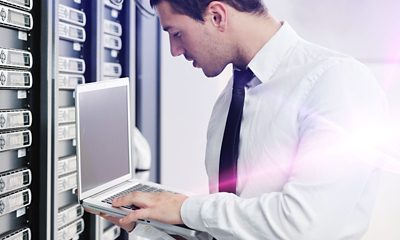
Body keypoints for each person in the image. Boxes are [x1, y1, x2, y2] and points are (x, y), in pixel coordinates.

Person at [99, 0, 388, 239]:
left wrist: (186, 209)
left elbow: (306, 226)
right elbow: (226, 229)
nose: (175, 51)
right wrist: (147, 221)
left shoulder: (337, 82)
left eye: (176, 33)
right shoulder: (230, 99)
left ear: (216, 16)